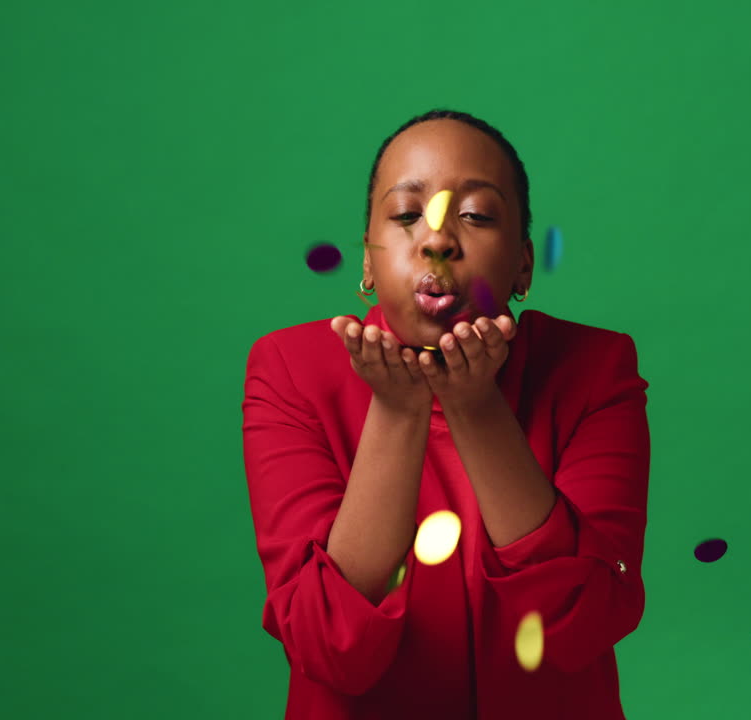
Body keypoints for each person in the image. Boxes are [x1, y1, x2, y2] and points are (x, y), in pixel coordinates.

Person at [242, 109, 651, 719]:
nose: (436, 239)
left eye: (477, 216)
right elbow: (329, 646)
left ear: (523, 265)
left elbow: (582, 623)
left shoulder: (596, 368)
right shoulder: (288, 370)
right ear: (367, 260)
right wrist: (397, 410)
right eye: (407, 216)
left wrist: (475, 405)